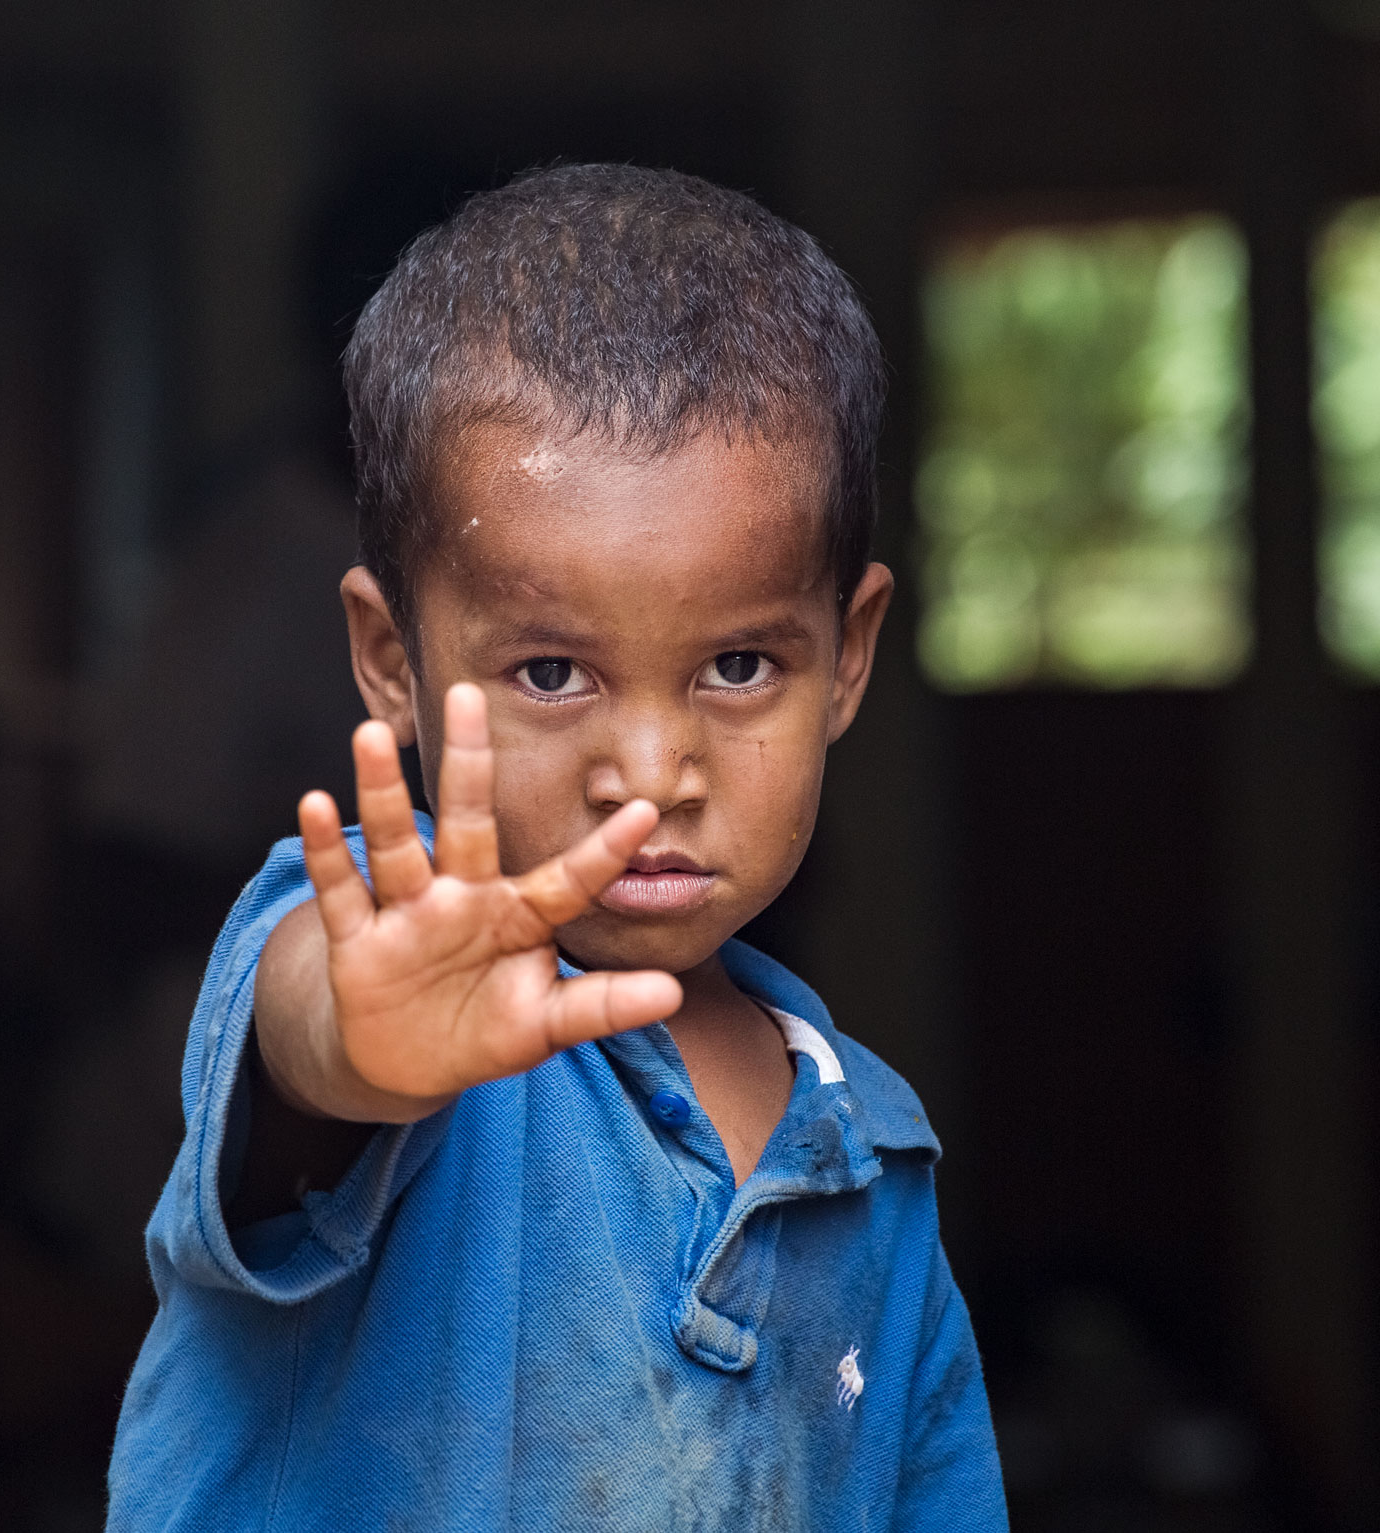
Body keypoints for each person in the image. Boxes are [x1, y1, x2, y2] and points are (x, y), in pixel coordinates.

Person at [107, 164, 1009, 1530]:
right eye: (549, 674)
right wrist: (362, 1042)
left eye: (741, 664)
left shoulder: (870, 1161)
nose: (650, 772)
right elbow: (305, 1036)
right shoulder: (385, 953)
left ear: (850, 655)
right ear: (387, 658)